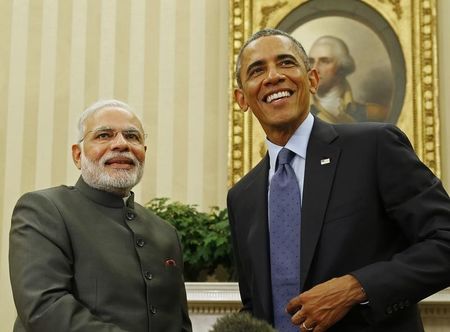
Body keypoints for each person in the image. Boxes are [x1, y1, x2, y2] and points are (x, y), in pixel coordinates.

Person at [228, 28, 450, 332]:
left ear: (313, 80)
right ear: (241, 98)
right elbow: (256, 305)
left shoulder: (374, 147)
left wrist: (356, 287)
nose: (273, 76)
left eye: (286, 63)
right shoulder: (242, 197)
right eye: (257, 70)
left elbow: (445, 241)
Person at [9, 99, 192, 332]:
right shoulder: (43, 209)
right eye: (104, 135)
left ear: (143, 153)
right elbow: (45, 308)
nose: (121, 144)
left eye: (133, 136)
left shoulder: (166, 233)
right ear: (78, 155)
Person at [308, 35, 388, 123]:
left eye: (325, 61)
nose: (314, 69)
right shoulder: (297, 112)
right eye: (311, 61)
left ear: (341, 67)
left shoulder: (373, 114)